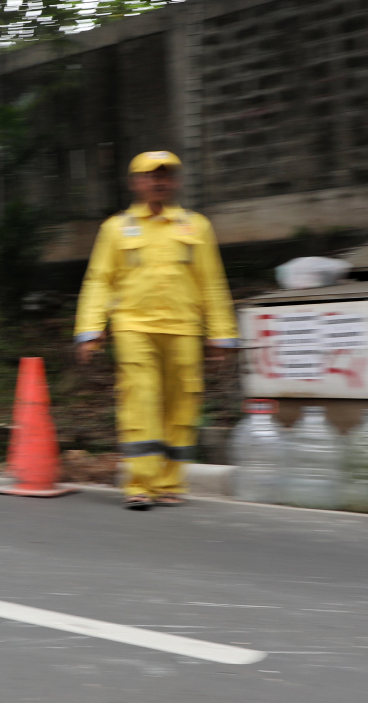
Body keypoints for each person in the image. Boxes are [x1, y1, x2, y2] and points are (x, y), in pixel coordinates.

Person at [73, 151, 238, 510]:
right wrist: (90, 329)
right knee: (140, 397)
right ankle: (139, 483)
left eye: (166, 175)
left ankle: (169, 481)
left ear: (175, 181)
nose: (159, 181)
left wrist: (221, 334)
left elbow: (211, 282)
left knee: (182, 402)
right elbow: (100, 281)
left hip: (183, 327)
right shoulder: (116, 229)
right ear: (136, 182)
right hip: (134, 325)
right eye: (151, 175)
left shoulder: (196, 227)